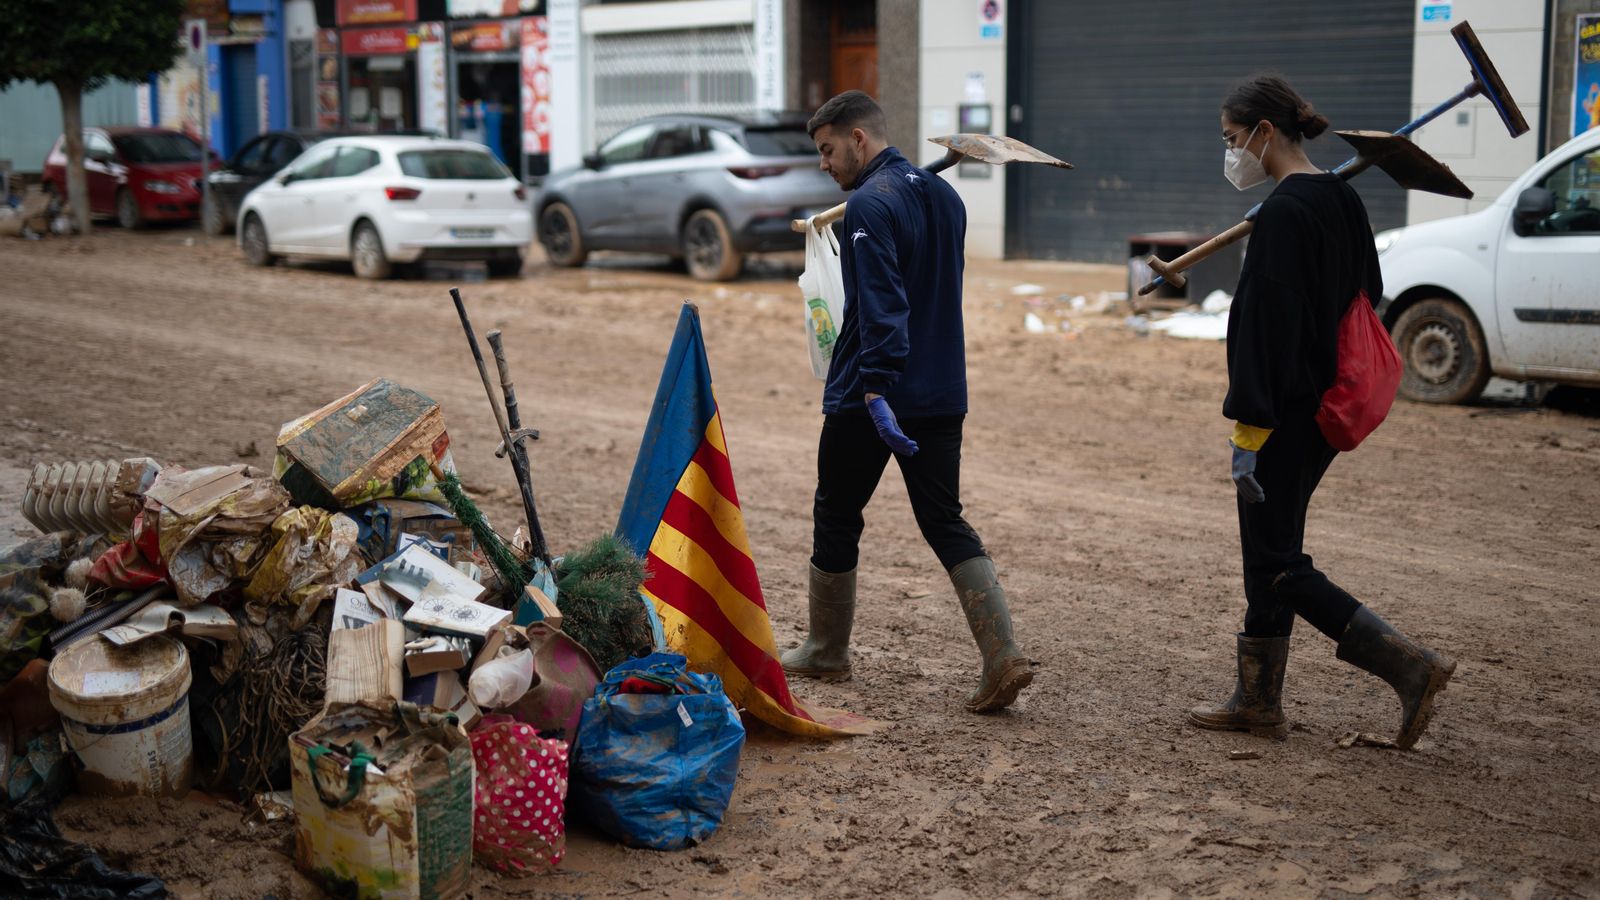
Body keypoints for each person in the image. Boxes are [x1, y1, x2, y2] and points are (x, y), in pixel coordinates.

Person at [1189, 75, 1456, 749]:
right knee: (1268, 548)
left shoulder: (1283, 214)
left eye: (1231, 140)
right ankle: (1257, 700)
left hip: (1280, 413)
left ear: (1264, 134)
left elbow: (1263, 331)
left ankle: (1408, 665)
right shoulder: (1340, 196)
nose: (1231, 154)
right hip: (1327, 406)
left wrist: (1249, 424)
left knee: (1276, 559)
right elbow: (1369, 291)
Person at [779, 90, 1035, 713]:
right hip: (943, 390)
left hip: (873, 394)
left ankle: (826, 649)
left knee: (837, 512)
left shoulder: (870, 202)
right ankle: (1002, 655)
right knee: (944, 518)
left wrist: (874, 386)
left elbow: (887, 303)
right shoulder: (944, 197)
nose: (824, 164)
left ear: (859, 140)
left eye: (828, 149)